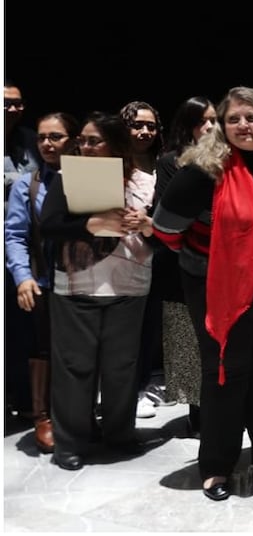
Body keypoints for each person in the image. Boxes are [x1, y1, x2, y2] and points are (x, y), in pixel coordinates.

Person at [152, 86, 253, 501]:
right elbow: (165, 231)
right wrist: (218, 263)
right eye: (233, 119)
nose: (243, 126)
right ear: (221, 126)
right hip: (217, 289)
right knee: (227, 370)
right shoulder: (202, 172)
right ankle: (217, 465)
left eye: (251, 117)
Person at [39, 112, 156, 471]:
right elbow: (48, 227)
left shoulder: (146, 183)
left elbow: (165, 237)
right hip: (77, 286)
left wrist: (148, 225)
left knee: (122, 367)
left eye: (94, 141)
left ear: (116, 144)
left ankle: (119, 434)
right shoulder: (66, 178)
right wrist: (88, 225)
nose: (85, 147)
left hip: (129, 285)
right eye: (83, 141)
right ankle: (71, 442)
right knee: (75, 366)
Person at [4, 111, 80, 453]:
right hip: (46, 279)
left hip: (84, 279)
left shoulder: (87, 178)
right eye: (42, 138)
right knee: (43, 347)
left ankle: (77, 414)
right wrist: (22, 277)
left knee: (79, 351)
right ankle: (42, 416)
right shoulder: (28, 182)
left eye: (56, 137)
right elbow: (15, 235)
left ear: (74, 140)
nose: (47, 144)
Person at [154, 96, 218, 435]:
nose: (208, 127)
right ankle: (197, 410)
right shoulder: (170, 162)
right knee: (188, 340)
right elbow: (166, 214)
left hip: (219, 267)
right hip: (182, 264)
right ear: (187, 125)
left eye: (213, 120)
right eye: (200, 120)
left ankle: (218, 410)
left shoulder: (227, 161)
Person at [120, 100, 169, 418]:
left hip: (155, 259)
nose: (145, 131)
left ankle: (138, 390)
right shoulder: (112, 164)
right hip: (116, 260)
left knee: (146, 330)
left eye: (151, 125)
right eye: (137, 125)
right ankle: (114, 393)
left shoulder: (163, 165)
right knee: (120, 333)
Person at [3, 81, 42, 420]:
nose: (13, 109)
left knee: (21, 327)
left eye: (18, 103)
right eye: (6, 103)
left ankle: (27, 400)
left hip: (23, 249)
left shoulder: (31, 141)